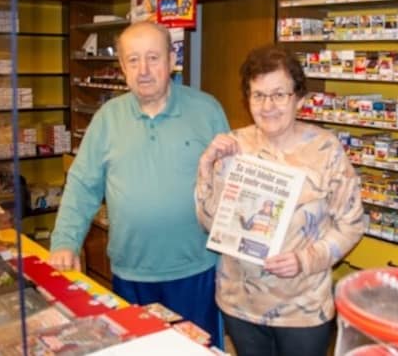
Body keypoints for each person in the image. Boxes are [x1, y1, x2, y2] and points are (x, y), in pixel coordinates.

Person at [49, 21, 228, 346]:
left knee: (196, 351)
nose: (143, 70)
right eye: (133, 60)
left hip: (195, 270)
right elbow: (82, 185)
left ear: (172, 60)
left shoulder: (207, 110)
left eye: (153, 58)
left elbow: (232, 186)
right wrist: (65, 241)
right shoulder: (107, 118)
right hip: (131, 272)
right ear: (122, 67)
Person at [195, 45, 365, 356]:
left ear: (298, 97)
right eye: (258, 95)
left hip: (302, 309)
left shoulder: (326, 150)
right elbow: (210, 224)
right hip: (240, 304)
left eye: (279, 94)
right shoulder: (234, 145)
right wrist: (206, 168)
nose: (268, 105)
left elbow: (351, 225)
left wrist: (305, 259)